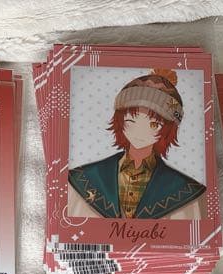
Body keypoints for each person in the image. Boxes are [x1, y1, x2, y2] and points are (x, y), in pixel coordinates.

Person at [67, 69, 206, 220]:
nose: (140, 132)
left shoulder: (185, 190)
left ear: (168, 130)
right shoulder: (84, 178)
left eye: (153, 124)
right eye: (131, 121)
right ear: (119, 121)